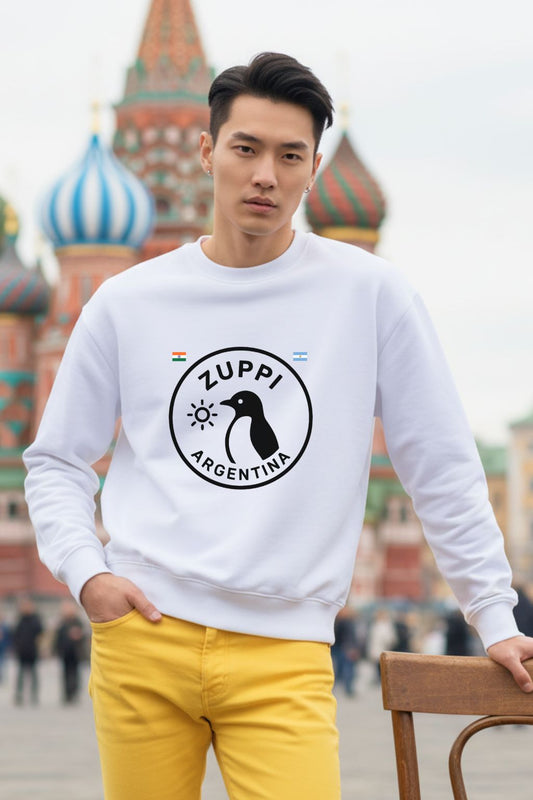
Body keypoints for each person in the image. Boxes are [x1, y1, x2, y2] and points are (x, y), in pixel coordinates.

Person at [23, 51, 533, 799]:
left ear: (313, 168)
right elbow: (58, 459)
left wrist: (493, 614)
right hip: (143, 641)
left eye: (289, 155)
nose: (266, 173)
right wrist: (88, 574)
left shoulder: (370, 295)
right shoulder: (129, 302)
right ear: (207, 151)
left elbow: (440, 461)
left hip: (284, 649)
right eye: (246, 148)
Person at [53, 599, 86, 704]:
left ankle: (74, 692)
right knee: (65, 674)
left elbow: (83, 635)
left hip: (75, 652)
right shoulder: (62, 622)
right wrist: (56, 649)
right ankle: (67, 694)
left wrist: (78, 635)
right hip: (65, 652)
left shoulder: (77, 621)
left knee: (75, 673)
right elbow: (57, 637)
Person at [12, 597, 43, 705]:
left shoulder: (36, 619)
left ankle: (34, 694)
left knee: (34, 674)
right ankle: (19, 695)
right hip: (22, 651)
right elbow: (15, 635)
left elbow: (41, 634)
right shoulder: (20, 619)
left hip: (32, 651)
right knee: (20, 674)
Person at [332, 605, 361, 696]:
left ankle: (347, 688)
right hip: (342, 648)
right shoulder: (341, 622)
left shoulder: (347, 621)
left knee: (347, 669)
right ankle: (344, 687)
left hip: (346, 648)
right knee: (343, 669)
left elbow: (352, 637)